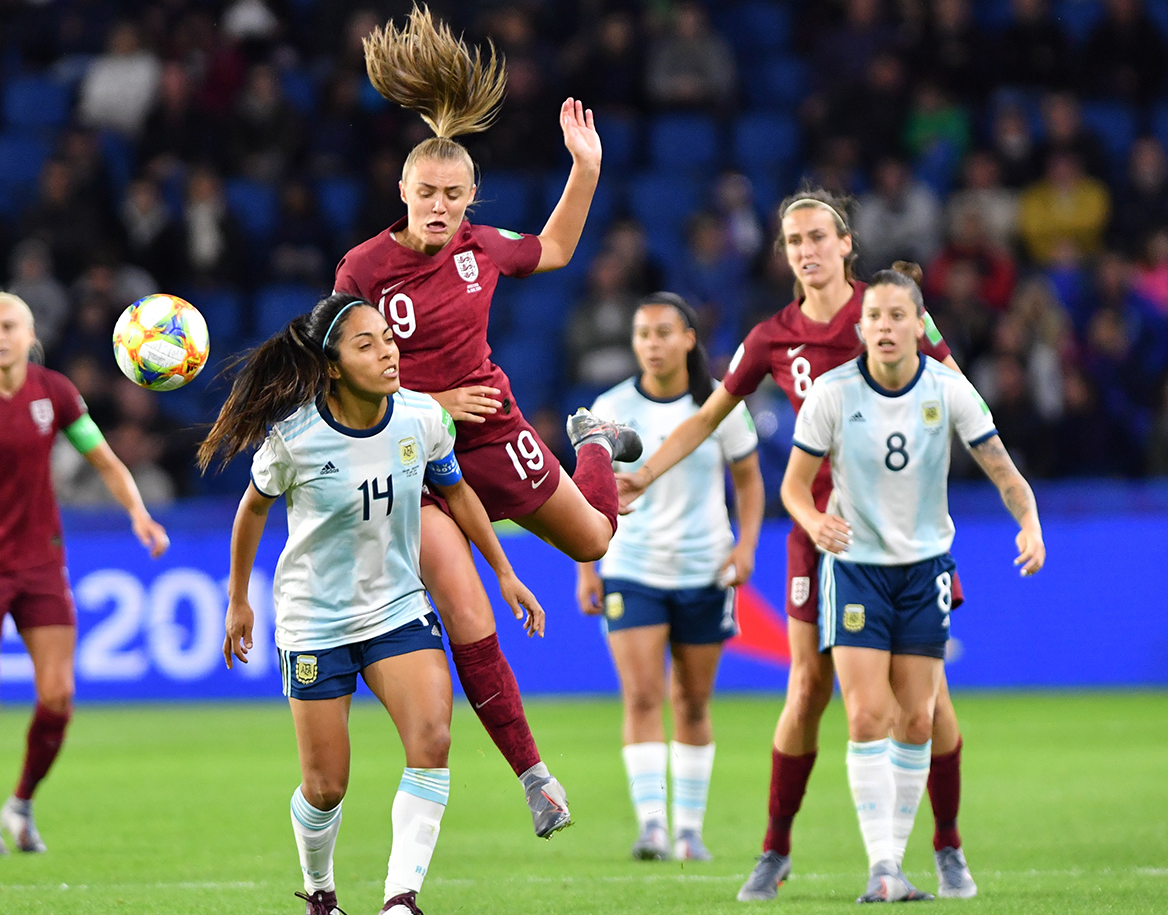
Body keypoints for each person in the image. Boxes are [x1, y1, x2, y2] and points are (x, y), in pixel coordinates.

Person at [617, 189, 978, 901]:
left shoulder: (890, 312)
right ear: (783, 253)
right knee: (807, 689)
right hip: (820, 537)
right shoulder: (771, 338)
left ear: (847, 244)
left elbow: (960, 394)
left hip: (902, 538)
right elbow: (707, 417)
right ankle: (774, 849)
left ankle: (947, 843)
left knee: (926, 703)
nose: (806, 250)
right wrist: (644, 475)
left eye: (818, 236)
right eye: (793, 240)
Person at [334, 6, 641, 837]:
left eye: (453, 195)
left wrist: (586, 170)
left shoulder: (482, 246)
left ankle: (590, 446)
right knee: (470, 617)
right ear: (402, 191)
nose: (438, 207)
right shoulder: (363, 269)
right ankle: (535, 776)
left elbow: (557, 249)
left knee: (596, 543)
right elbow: (341, 381)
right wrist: (428, 405)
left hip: (496, 433)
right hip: (415, 457)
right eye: (425, 193)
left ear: (471, 199)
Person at [200, 294, 543, 915]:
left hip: (396, 609)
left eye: (387, 338)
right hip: (315, 620)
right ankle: (321, 890)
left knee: (433, 737)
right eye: (366, 344)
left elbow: (457, 493)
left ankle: (400, 899)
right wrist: (237, 600)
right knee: (326, 787)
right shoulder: (295, 438)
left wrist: (505, 572)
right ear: (332, 367)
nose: (388, 351)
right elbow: (252, 509)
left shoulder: (420, 417)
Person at [783, 263, 1044, 902]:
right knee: (868, 713)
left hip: (925, 571)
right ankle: (882, 870)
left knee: (919, 718)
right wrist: (815, 521)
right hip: (857, 572)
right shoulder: (831, 394)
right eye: (874, 316)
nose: (885, 326)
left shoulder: (951, 391)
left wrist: (1030, 522)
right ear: (862, 325)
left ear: (917, 326)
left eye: (898, 315)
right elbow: (792, 486)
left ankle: (908, 860)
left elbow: (1004, 472)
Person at [0, 292, 168, 855]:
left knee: (59, 694)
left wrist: (138, 512)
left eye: (9, 325)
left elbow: (104, 460)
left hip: (40, 559)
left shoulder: (54, 392)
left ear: (29, 334)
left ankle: (21, 803)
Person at [575, 293, 763, 862]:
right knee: (642, 695)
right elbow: (584, 493)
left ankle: (689, 831)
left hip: (705, 568)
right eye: (642, 333)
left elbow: (751, 483)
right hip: (632, 568)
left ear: (688, 338)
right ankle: (653, 826)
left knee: (694, 703)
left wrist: (746, 546)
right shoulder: (609, 408)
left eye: (662, 332)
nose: (651, 343)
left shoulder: (720, 405)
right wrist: (587, 567)